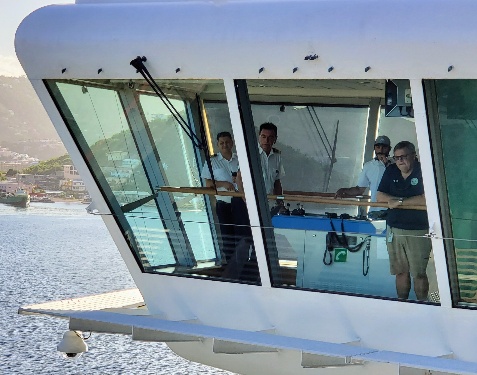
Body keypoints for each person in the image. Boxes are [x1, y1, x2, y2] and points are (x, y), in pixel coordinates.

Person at [224, 122, 284, 280]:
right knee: (244, 242)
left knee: (263, 241)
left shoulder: (277, 157)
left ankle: (256, 277)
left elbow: (277, 182)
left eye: (270, 137)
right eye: (263, 137)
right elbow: (240, 179)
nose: (266, 140)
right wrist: (247, 200)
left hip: (266, 206)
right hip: (245, 204)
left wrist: (280, 203)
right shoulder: (250, 154)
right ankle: (233, 279)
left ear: (275, 139)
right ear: (259, 137)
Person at [376, 141, 431, 301]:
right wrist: (395, 201)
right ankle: (402, 305)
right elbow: (379, 196)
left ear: (413, 156)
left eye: (403, 157)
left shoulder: (424, 171)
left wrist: (399, 202)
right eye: (397, 157)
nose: (400, 160)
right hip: (394, 228)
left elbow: (427, 199)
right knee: (400, 272)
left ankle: (422, 306)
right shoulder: (391, 170)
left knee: (419, 273)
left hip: (419, 230)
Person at [201, 131, 239, 262]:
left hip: (241, 203)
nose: (225, 145)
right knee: (227, 235)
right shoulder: (212, 161)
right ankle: (230, 264)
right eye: (221, 143)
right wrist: (224, 184)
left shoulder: (240, 159)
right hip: (224, 204)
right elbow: (208, 184)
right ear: (217, 144)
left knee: (242, 235)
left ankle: (243, 263)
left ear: (232, 143)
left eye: (227, 142)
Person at [335, 135, 392, 219]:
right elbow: (359, 190)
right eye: (378, 147)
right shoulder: (368, 166)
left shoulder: (396, 165)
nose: (380, 150)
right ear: (374, 148)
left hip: (393, 210)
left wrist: (388, 165)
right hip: (375, 211)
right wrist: (343, 190)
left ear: (389, 149)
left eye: (384, 147)